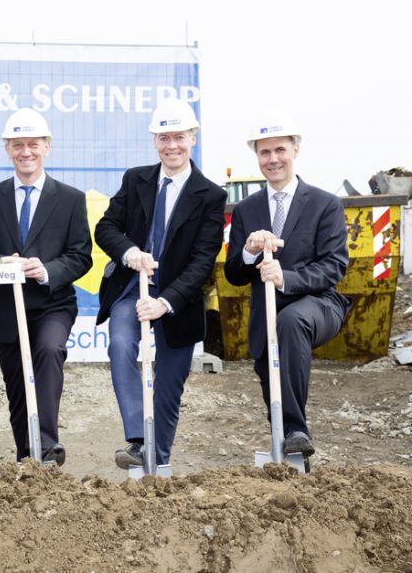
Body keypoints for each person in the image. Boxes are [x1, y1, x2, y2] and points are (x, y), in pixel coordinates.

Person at [95, 98, 226, 470]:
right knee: (121, 344)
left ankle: (157, 460)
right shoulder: (135, 179)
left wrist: (165, 302)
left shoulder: (211, 196)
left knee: (168, 384)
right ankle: (139, 438)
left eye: (179, 137)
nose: (172, 145)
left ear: (193, 138)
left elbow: (202, 261)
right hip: (131, 290)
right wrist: (129, 252)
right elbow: (106, 227)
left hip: (178, 301)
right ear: (154, 140)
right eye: (164, 138)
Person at [224, 111, 351, 458]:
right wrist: (249, 252)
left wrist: (286, 278)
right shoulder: (246, 209)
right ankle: (290, 452)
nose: (273, 159)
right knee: (272, 381)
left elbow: (334, 266)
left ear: (296, 150)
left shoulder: (325, 205)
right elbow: (234, 274)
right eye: (264, 152)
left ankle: (297, 430)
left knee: (291, 321)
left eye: (280, 149)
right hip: (266, 313)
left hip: (318, 304)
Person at [0, 108, 92, 466]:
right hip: (6, 307)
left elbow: (81, 256)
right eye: (18, 145)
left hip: (52, 303)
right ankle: (27, 456)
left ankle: (47, 447)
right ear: (7, 149)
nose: (26, 152)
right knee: (17, 386)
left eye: (33, 144)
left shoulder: (70, 199)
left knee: (49, 351)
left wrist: (47, 270)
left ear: (47, 147)